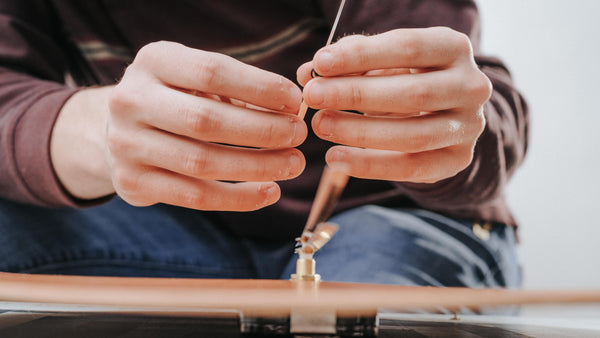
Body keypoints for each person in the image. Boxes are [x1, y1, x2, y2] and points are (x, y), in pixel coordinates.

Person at [0, 0, 527, 293]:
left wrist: (451, 127)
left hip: (400, 218)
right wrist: (98, 132)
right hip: (175, 226)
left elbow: (477, 101)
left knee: (352, 316)